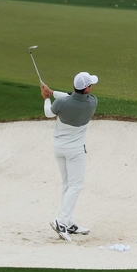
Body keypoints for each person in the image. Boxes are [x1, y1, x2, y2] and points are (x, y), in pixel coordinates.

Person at [40, 71, 98, 242]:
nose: (92, 86)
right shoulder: (92, 102)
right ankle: (61, 220)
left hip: (58, 148)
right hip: (75, 151)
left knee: (67, 184)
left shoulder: (61, 103)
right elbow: (71, 97)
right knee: (75, 186)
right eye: (90, 84)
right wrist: (52, 93)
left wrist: (47, 96)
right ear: (86, 89)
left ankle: (69, 222)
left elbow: (49, 113)